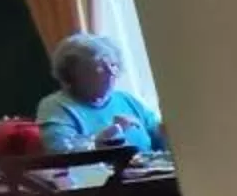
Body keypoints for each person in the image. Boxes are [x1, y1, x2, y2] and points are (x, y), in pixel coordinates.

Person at [34, 32, 163, 154]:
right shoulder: (55, 106)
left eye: (113, 65)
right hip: (98, 177)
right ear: (73, 74)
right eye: (100, 67)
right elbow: (61, 152)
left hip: (150, 174)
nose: (112, 72)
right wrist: (105, 139)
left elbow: (162, 137)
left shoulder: (126, 99)